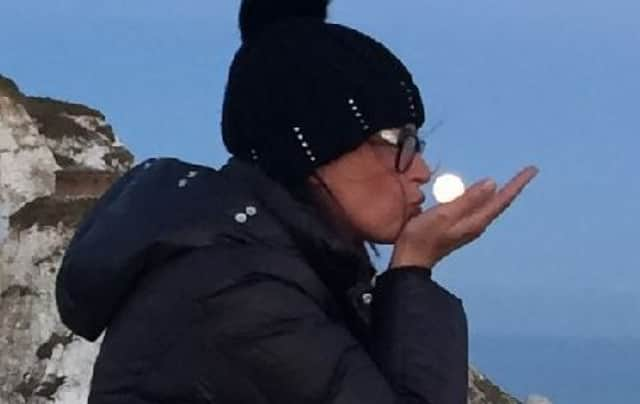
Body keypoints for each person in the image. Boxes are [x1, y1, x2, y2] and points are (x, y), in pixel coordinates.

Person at [55, 1, 538, 403]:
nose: (421, 169)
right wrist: (412, 268)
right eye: (397, 139)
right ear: (312, 149)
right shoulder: (238, 293)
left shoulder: (278, 267)